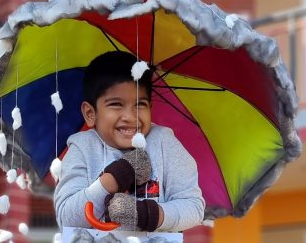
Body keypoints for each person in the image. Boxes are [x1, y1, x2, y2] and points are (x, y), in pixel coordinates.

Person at [54, 51, 205, 232]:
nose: (130, 116)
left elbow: (194, 208)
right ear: (90, 113)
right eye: (116, 104)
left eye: (140, 104)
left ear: (151, 107)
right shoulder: (82, 148)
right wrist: (113, 179)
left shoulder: (164, 143)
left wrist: (146, 214)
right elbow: (66, 218)